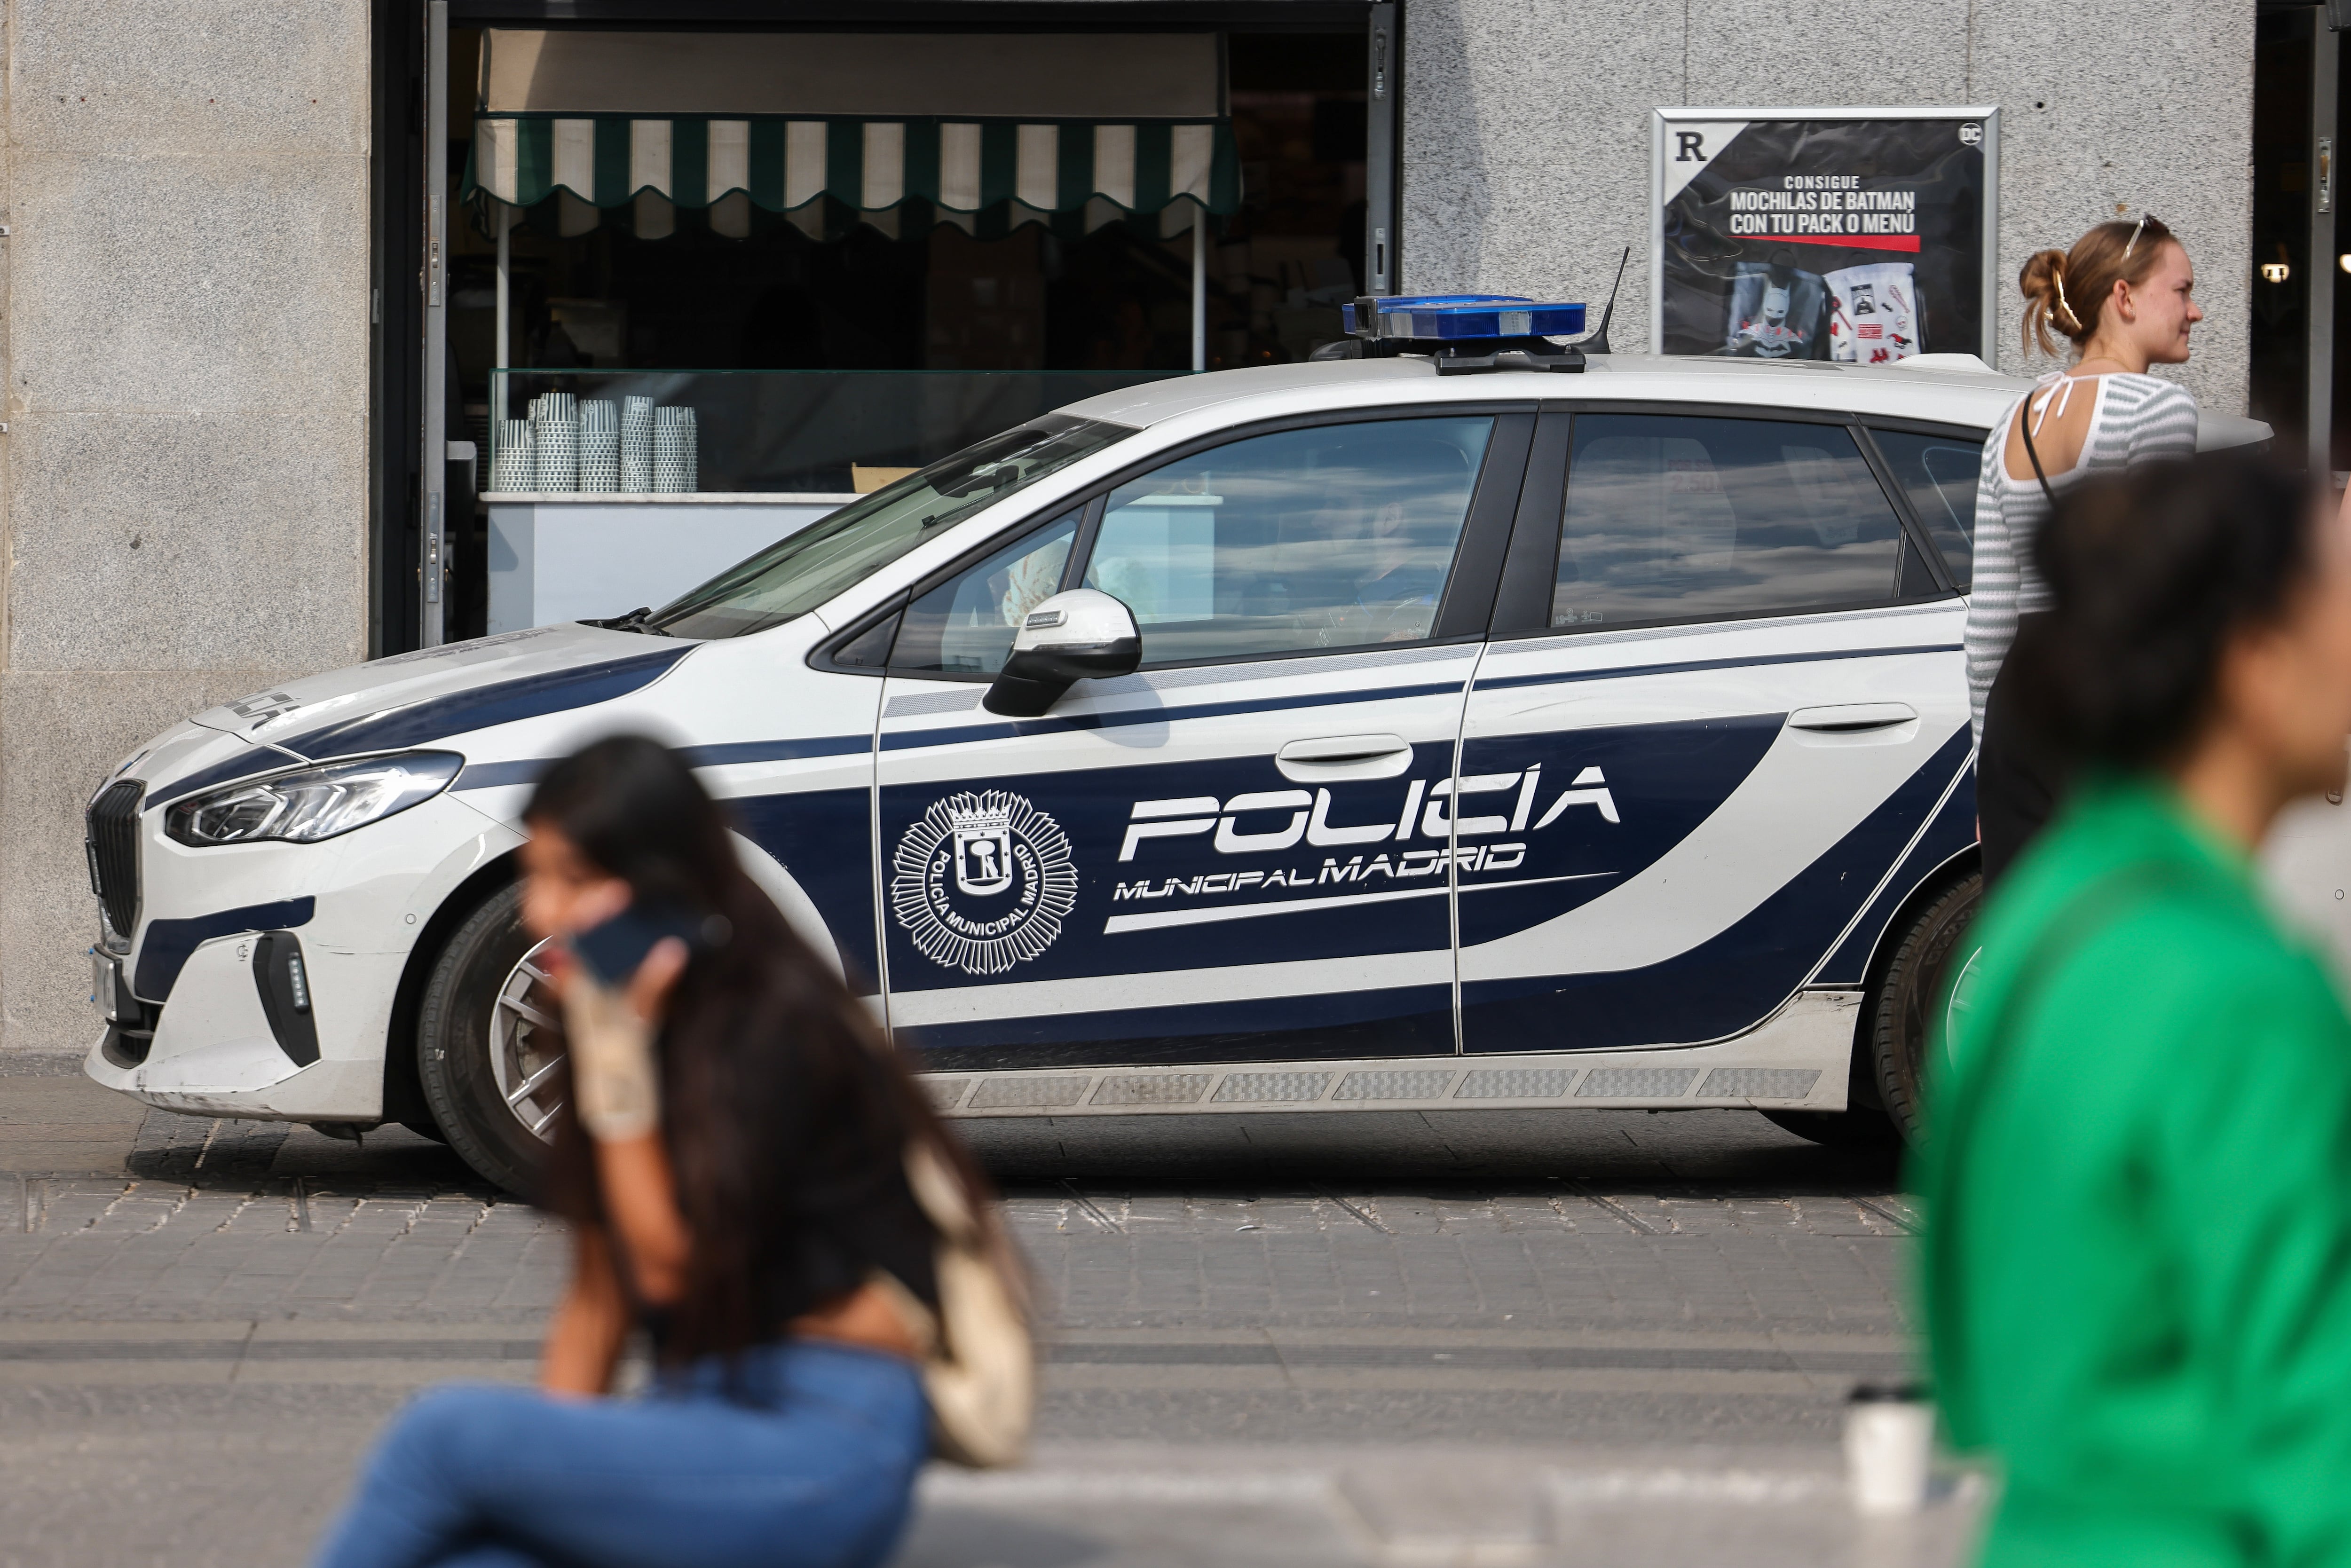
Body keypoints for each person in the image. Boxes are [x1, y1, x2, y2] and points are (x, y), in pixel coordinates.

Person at [316, 735, 989, 1568]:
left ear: (665, 884)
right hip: (700, 1424)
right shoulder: (618, 1034)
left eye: (576, 880)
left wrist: (621, 1076)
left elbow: (676, 1268)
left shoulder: (778, 1032)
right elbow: (599, 1303)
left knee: (439, 1437)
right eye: (539, 877)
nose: (541, 912)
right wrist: (545, 1486)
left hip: (829, 1439)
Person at [1919, 455, 2351, 1567]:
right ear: (2256, 668)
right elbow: (2321, 1440)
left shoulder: (2043, 923)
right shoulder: (2238, 993)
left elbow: (1968, 1347)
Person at [1969, 213, 2203, 887]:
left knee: (2038, 943)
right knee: (2123, 940)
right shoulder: (2157, 408)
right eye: (2181, 290)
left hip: (2019, 714)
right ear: (2124, 298)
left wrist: (1990, 765)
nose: (2195, 310)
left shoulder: (2011, 422)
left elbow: (1987, 623)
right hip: (2107, 705)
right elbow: (2157, 595)